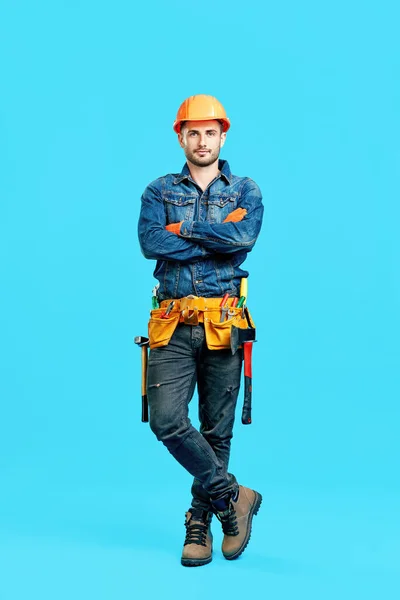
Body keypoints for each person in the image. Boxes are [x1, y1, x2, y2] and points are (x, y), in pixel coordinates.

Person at [138, 94, 264, 567]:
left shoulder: (245, 191)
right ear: (180, 137)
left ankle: (200, 522)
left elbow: (243, 240)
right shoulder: (157, 191)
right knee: (167, 419)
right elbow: (151, 243)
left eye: (210, 132)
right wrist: (216, 237)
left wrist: (182, 231)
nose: (202, 140)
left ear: (222, 136)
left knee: (217, 429)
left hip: (224, 321)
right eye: (193, 132)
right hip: (171, 321)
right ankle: (234, 495)